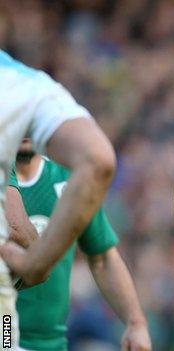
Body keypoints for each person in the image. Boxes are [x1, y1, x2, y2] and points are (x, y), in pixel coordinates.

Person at [0, 49, 116, 347]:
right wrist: (35, 263)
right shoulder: (29, 88)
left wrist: (136, 321)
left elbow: (103, 254)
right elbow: (16, 229)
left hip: (41, 335)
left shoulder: (65, 176)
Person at [7, 140, 151, 351]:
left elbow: (102, 257)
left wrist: (136, 323)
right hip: (6, 334)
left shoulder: (68, 179)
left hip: (52, 343)